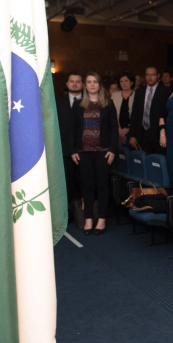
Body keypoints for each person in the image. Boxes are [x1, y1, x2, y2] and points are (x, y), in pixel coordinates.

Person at [68, 72, 118, 236]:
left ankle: (102, 219)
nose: (92, 85)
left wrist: (112, 149)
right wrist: (73, 150)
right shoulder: (78, 105)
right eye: (89, 82)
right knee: (87, 186)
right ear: (85, 85)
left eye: (95, 82)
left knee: (102, 186)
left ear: (99, 85)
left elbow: (113, 129)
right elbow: (72, 129)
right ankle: (88, 218)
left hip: (103, 152)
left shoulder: (108, 104)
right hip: (83, 153)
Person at [56, 72, 84, 227]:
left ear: (82, 84)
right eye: (72, 81)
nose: (74, 84)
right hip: (65, 151)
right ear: (67, 84)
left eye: (78, 81)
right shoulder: (58, 103)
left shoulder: (89, 101)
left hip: (85, 151)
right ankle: (68, 215)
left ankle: (83, 214)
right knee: (67, 183)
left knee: (83, 183)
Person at [129, 66, 171, 154]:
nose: (150, 77)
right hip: (142, 134)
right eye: (147, 75)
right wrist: (132, 135)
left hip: (158, 134)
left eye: (152, 75)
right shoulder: (139, 91)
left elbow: (167, 114)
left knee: (157, 160)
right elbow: (135, 114)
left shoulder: (166, 91)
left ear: (158, 76)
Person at [110, 71, 136, 146]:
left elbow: (138, 116)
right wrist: (119, 129)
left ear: (131, 82)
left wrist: (128, 129)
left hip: (132, 131)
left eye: (126, 81)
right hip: (117, 130)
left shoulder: (137, 95)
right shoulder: (115, 95)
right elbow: (111, 114)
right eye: (121, 81)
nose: (124, 83)